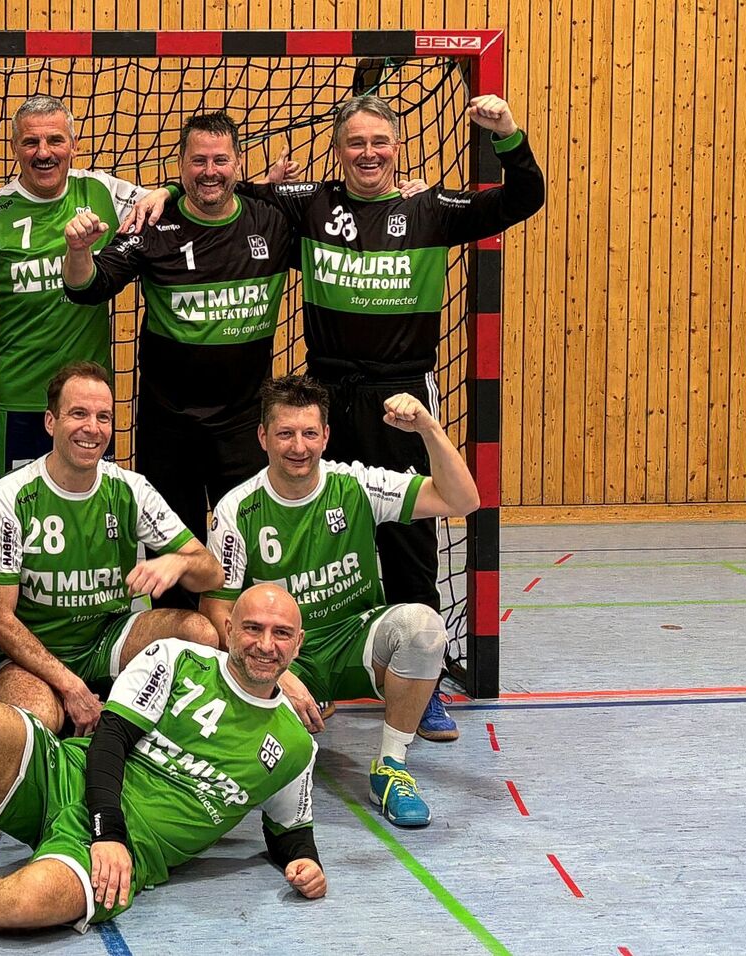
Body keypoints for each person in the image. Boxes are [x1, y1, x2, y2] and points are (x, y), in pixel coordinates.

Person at [129, 94, 544, 737]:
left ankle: (421, 677)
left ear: (397, 148)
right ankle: (292, 667)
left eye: (380, 142)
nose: (368, 154)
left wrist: (509, 137)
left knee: (408, 536)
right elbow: (219, 190)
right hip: (324, 392)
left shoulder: (429, 208)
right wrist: (163, 191)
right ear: (338, 150)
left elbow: (522, 199)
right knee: (308, 527)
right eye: (356, 143)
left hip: (399, 392)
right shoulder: (309, 204)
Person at [0, 583, 323, 932]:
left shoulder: (296, 747)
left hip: (133, 850)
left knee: (24, 905)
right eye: (252, 628)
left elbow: (290, 830)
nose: (265, 644)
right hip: (72, 779)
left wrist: (307, 865)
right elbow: (110, 739)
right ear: (229, 630)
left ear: (297, 644)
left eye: (280, 634)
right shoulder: (178, 657)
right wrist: (108, 829)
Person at [201, 375, 481, 827]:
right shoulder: (237, 508)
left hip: (353, 643)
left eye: (309, 433)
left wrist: (428, 428)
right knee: (278, 763)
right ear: (263, 437)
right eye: (285, 433)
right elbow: (217, 610)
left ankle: (390, 768)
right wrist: (278, 674)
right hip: (284, 655)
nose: (299, 447)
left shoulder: (356, 484)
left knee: (424, 626)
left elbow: (463, 499)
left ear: (326, 436)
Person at [60, 111, 291, 611]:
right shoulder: (153, 225)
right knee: (172, 565)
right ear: (181, 164)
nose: (210, 171)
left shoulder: (272, 220)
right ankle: (176, 648)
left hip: (244, 424)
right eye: (198, 161)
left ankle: (249, 650)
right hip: (169, 426)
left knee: (249, 558)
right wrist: (78, 250)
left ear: (238, 164)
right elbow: (88, 287)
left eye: (220, 160)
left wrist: (404, 195)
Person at [0, 360, 222, 740]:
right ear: (50, 422)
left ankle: (152, 741)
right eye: (79, 414)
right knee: (38, 719)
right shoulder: (11, 496)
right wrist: (70, 685)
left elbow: (213, 574)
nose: (93, 428)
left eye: (103, 417)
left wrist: (179, 562)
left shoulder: (131, 489)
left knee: (200, 634)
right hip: (34, 649)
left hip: (107, 640)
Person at [0, 95, 148, 481]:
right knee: (14, 507)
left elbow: (164, 205)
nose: (43, 153)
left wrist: (169, 191)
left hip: (87, 403)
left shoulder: (101, 191)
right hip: (20, 398)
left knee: (89, 509)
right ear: (15, 148)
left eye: (55, 140)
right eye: (31, 142)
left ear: (74, 145)